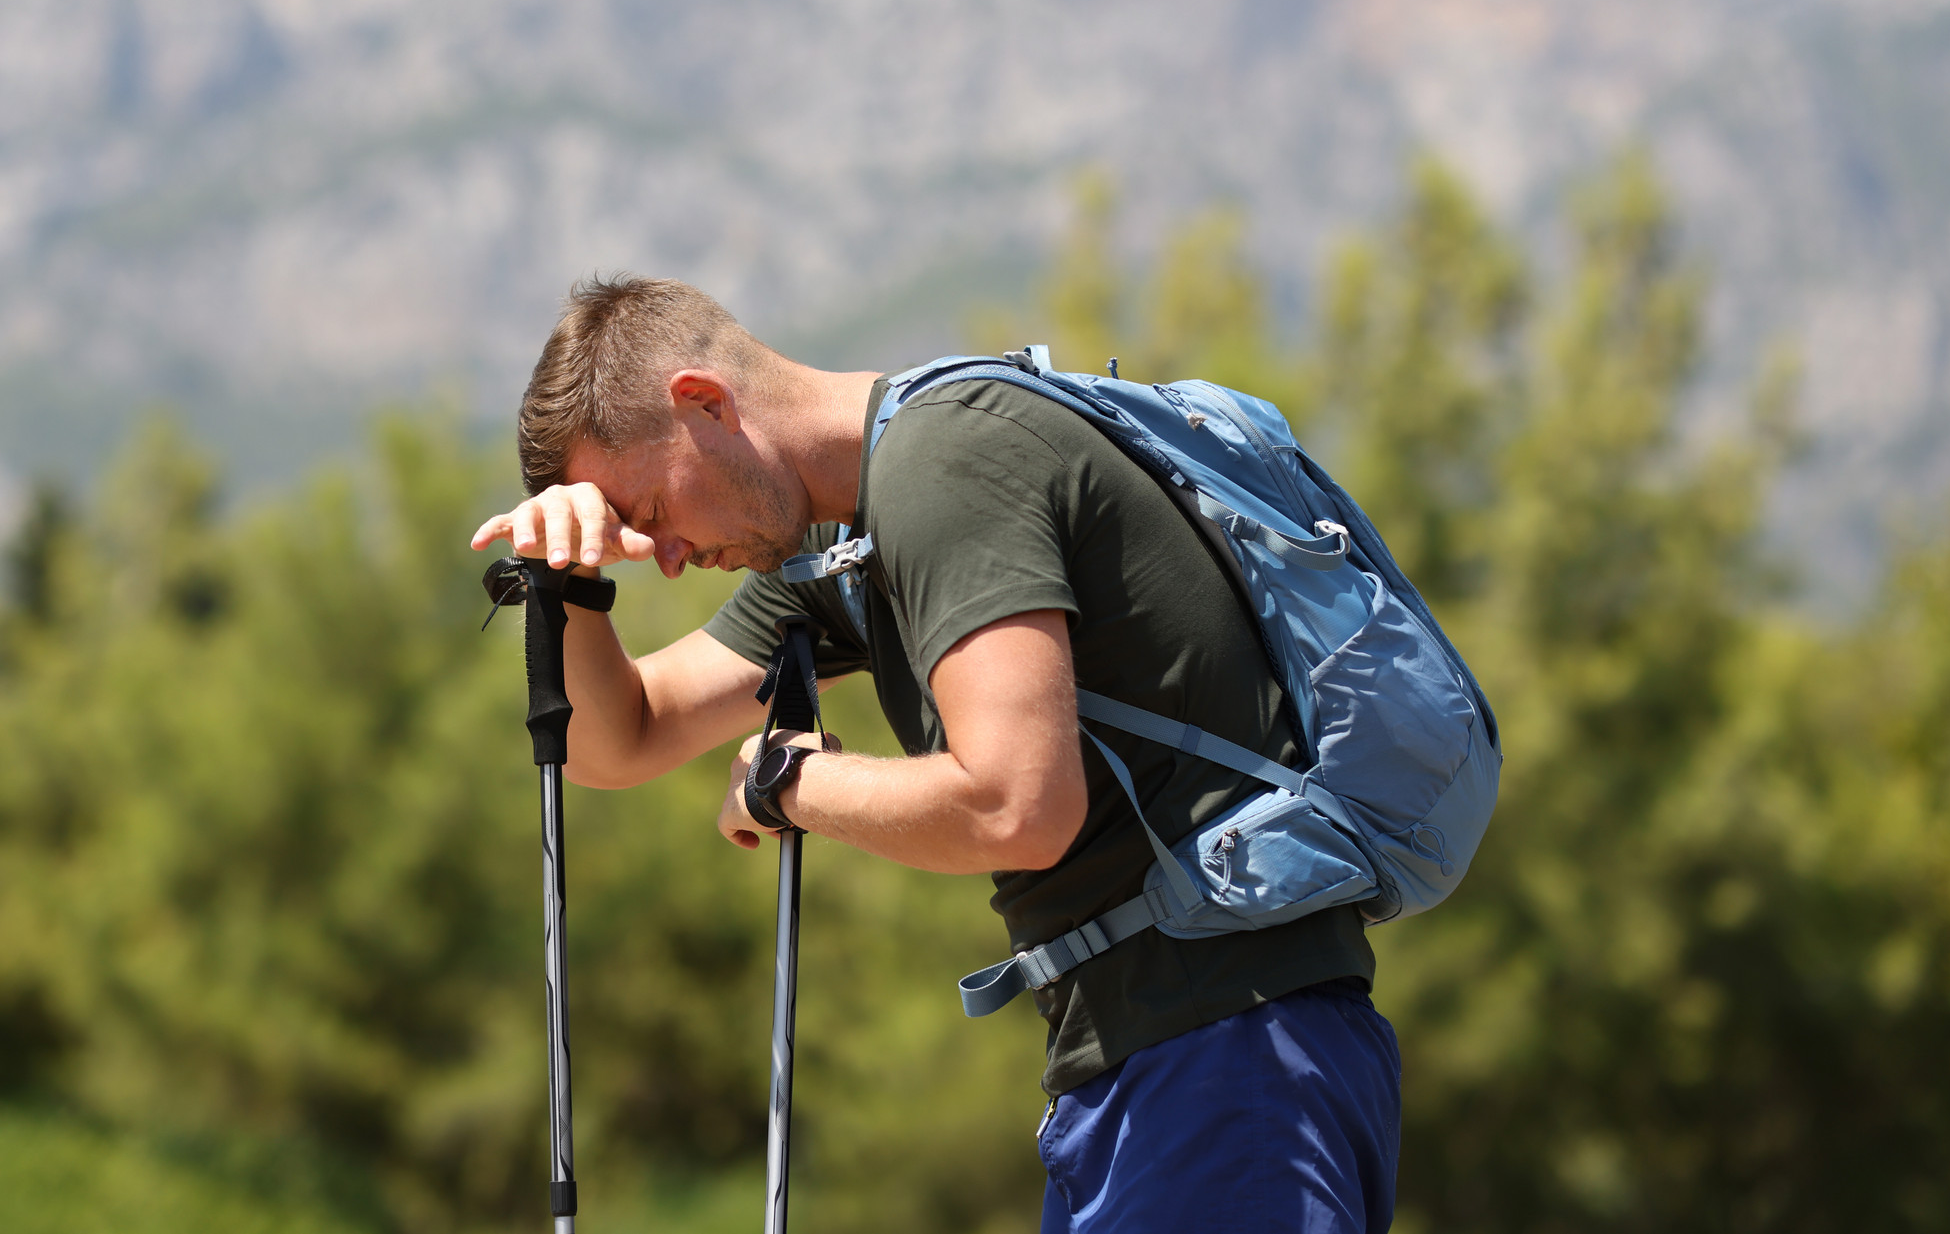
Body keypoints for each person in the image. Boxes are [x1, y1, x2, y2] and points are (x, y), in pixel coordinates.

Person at [470, 274, 1402, 1232]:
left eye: (651, 508)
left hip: (1227, 1052)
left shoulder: (941, 466)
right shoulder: (847, 539)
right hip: (1159, 1063)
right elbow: (618, 738)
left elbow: (1020, 805)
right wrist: (568, 585)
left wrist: (792, 781)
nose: (660, 553)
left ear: (703, 403)